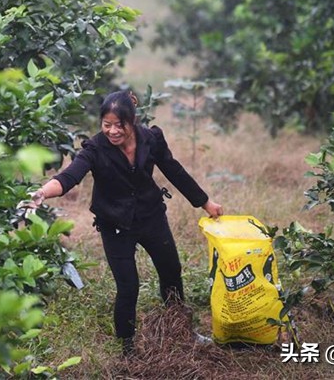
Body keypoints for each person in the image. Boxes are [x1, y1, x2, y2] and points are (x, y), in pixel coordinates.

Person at [26, 90, 223, 356]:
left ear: (132, 122)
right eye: (106, 125)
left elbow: (174, 171)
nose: (113, 131)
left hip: (151, 216)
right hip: (115, 224)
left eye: (120, 125)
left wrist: (205, 203)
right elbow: (69, 176)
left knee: (171, 271)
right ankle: (128, 347)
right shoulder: (95, 149)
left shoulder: (150, 139)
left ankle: (181, 330)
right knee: (128, 286)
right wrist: (42, 193)